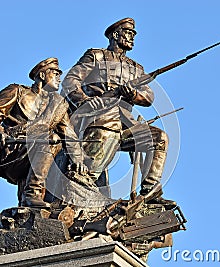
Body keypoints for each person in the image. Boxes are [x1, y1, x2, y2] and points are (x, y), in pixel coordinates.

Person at [61, 18, 176, 206]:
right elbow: (71, 81)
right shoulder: (96, 56)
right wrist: (86, 102)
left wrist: (133, 95)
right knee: (90, 169)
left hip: (126, 123)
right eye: (129, 33)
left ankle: (149, 192)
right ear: (116, 35)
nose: (132, 38)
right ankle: (83, 183)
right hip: (97, 119)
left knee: (159, 138)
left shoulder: (136, 68)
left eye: (133, 34)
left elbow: (148, 98)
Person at [0, 57, 87, 208]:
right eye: (55, 74)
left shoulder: (58, 103)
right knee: (52, 139)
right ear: (42, 75)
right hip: (14, 151)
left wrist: (78, 160)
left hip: (40, 150)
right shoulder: (17, 91)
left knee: (56, 142)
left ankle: (39, 200)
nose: (59, 78)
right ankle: (32, 193)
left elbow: (69, 135)